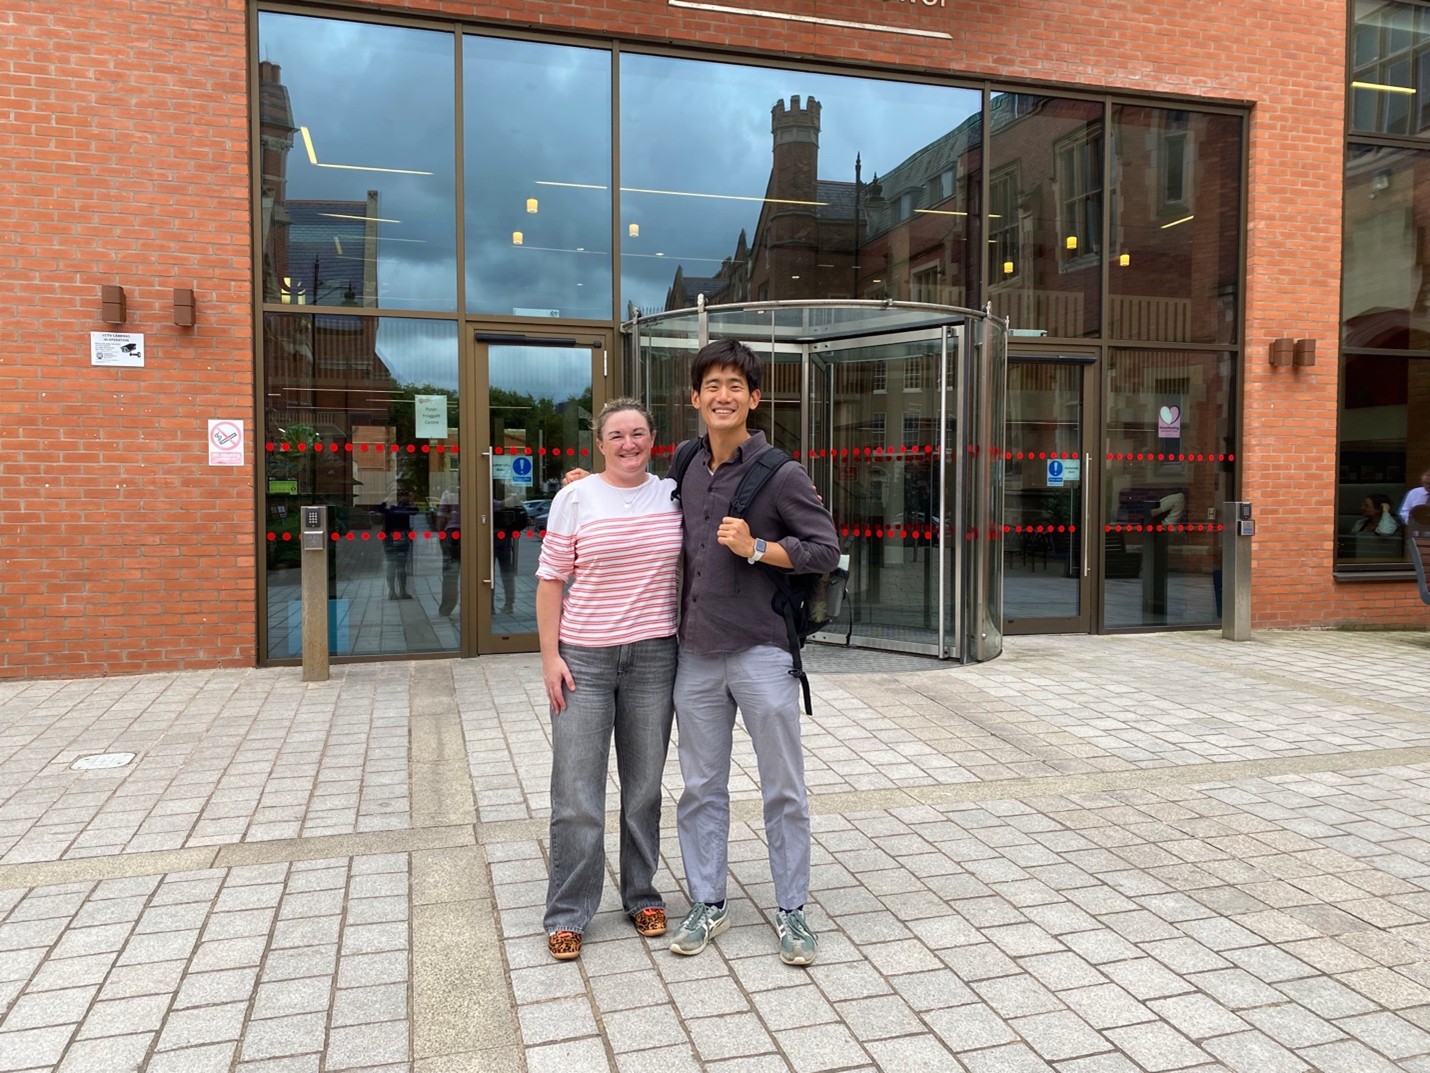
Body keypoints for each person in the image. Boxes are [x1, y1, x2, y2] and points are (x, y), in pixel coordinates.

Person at [665, 339, 840, 967]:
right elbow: (644, 507)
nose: (723, 396)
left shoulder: (781, 472)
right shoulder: (685, 461)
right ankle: (708, 901)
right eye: (712, 385)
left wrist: (758, 548)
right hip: (696, 653)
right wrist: (588, 487)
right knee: (700, 788)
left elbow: (825, 550)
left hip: (763, 653)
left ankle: (792, 910)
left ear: (754, 398)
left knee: (783, 788)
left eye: (735, 385)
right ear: (695, 397)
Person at [536, 399, 683, 962]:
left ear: (653, 438)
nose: (629, 443)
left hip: (654, 659)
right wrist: (550, 657)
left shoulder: (673, 494)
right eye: (617, 435)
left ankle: (641, 894)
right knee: (577, 794)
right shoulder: (575, 498)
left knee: (644, 789)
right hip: (585, 662)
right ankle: (568, 912)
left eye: (638, 433)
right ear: (599, 444)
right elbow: (551, 580)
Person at [379, 487, 420, 600]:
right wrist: (389, 499)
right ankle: (392, 591)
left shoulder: (405, 505)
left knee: (402, 564)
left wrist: (410, 500)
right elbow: (379, 509)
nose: (399, 496)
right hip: (390, 536)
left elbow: (415, 511)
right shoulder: (387, 505)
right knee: (391, 563)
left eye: (401, 493)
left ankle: (402, 590)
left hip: (403, 536)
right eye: (396, 493)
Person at [493, 491, 529, 615]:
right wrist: (514, 497)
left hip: (491, 538)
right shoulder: (503, 500)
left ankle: (490, 605)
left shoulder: (487, 499)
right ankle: (509, 604)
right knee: (507, 573)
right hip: (505, 538)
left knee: (488, 575)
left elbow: (499, 504)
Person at [436, 484, 460, 617]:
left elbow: (442, 516)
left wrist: (441, 536)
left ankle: (447, 607)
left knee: (450, 572)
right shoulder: (478, 490)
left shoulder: (448, 493)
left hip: (452, 534)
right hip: (473, 534)